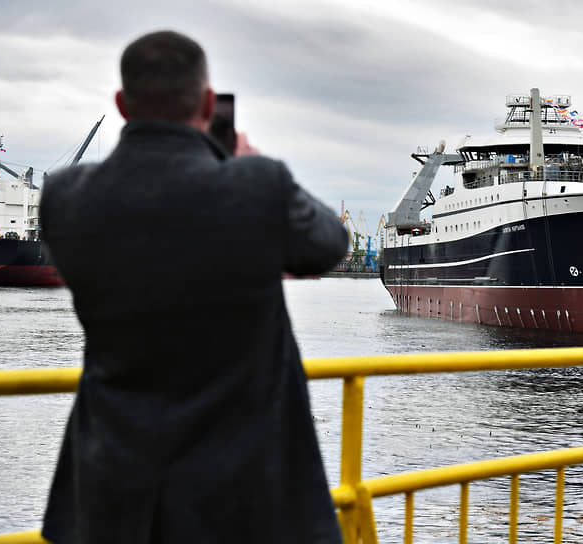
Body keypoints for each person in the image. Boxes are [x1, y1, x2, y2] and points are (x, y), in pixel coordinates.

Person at [40, 30, 347, 544]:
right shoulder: (256, 184)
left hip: (113, 501)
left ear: (121, 104)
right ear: (208, 102)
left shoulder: (65, 197)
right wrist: (243, 162)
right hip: (245, 503)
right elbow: (329, 244)